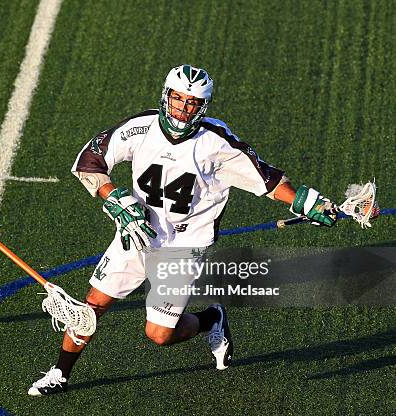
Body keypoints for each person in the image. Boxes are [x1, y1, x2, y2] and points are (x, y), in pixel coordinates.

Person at [28, 64, 336, 395]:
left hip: (183, 245)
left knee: (159, 335)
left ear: (201, 107)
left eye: (191, 102)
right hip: (138, 229)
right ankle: (60, 372)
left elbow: (267, 179)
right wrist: (114, 196)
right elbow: (90, 160)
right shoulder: (140, 128)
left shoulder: (216, 143)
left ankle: (210, 320)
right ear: (166, 96)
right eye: (177, 98)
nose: (182, 107)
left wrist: (306, 202)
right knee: (94, 304)